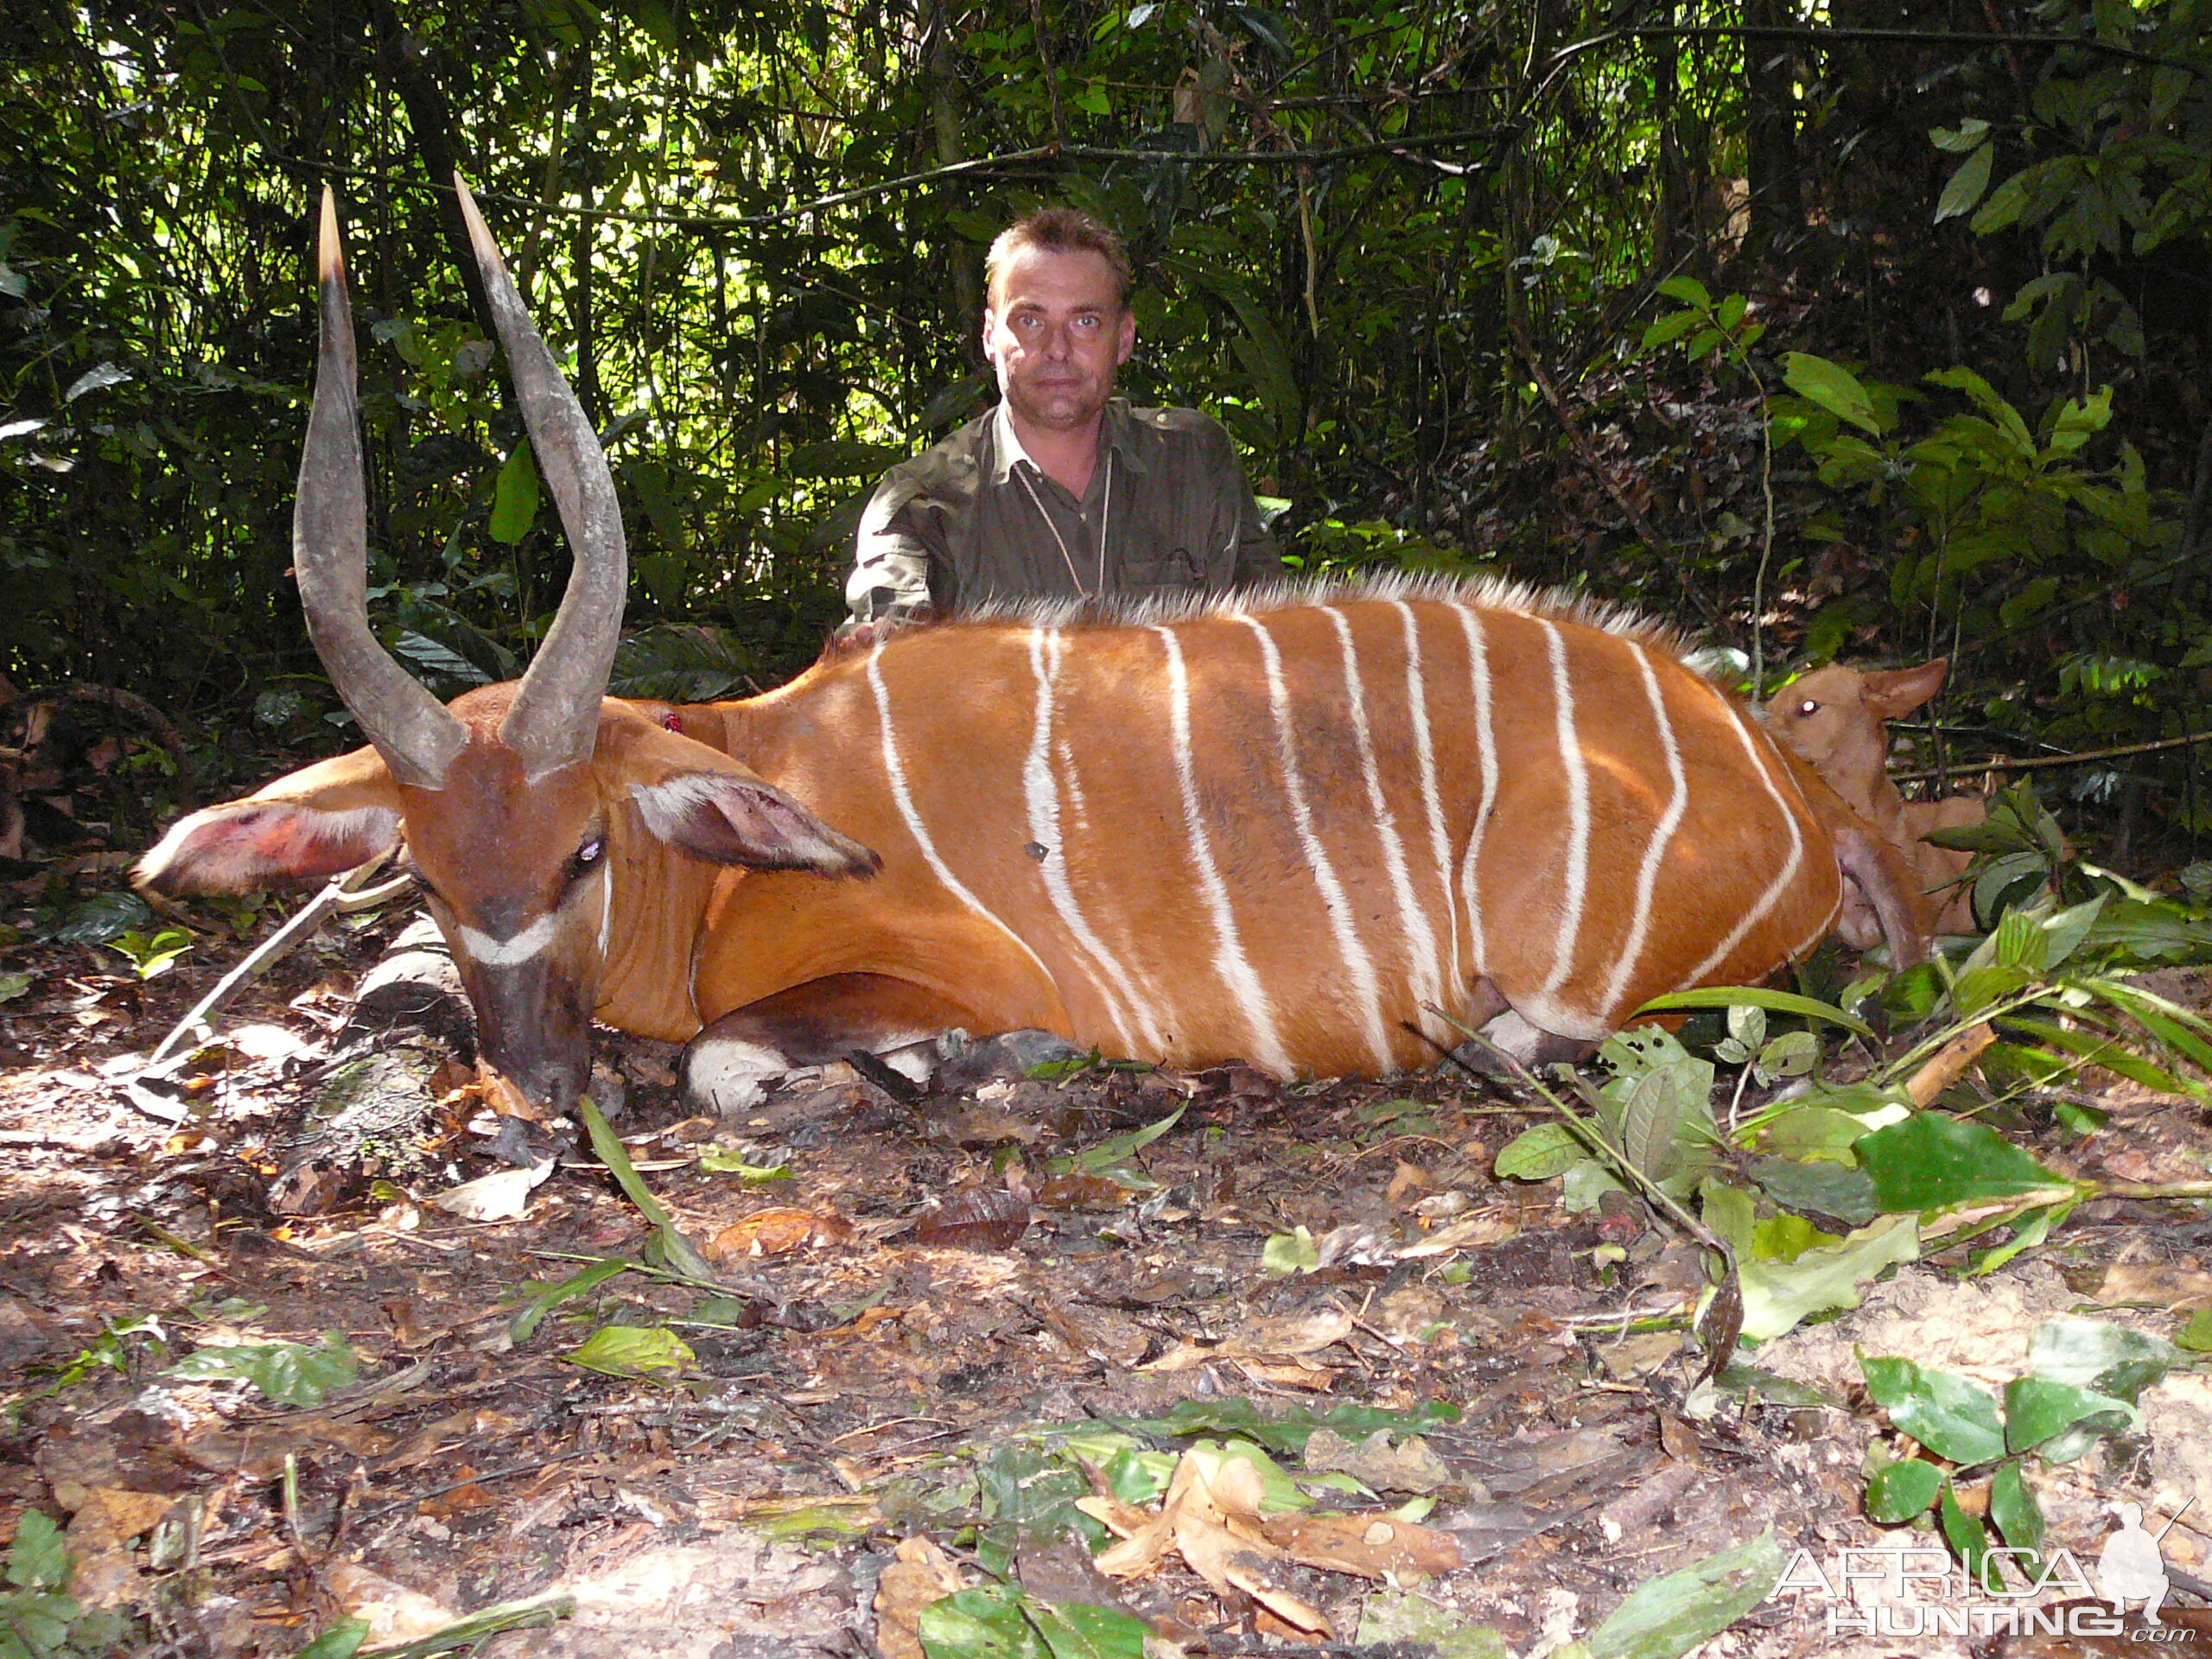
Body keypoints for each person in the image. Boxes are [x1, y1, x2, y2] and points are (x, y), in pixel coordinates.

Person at [843, 208, 1284, 630]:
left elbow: (1272, 632)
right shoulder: (924, 503)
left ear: (1124, 337)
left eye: (1086, 321)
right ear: (990, 337)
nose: (1057, 348)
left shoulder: (1193, 461)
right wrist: (877, 642)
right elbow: (890, 623)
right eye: (1030, 321)